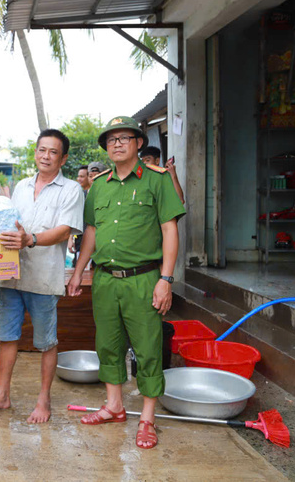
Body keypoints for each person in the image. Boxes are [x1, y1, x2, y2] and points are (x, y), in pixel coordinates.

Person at [68, 116, 185, 450]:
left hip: (143, 278)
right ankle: (114, 405)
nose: (117, 143)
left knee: (148, 347)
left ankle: (147, 419)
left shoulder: (157, 180)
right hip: (105, 279)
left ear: (138, 143)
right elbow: (91, 232)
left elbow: (169, 230)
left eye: (124, 138)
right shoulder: (98, 185)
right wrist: (79, 271)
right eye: (111, 139)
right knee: (108, 342)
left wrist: (165, 278)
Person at [0, 129, 84, 423]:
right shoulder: (21, 186)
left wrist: (30, 239)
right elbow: (8, 224)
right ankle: (2, 396)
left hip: (44, 278)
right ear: (35, 153)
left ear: (63, 158)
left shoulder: (71, 190)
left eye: (53, 152)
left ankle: (44, 400)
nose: (46, 156)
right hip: (11, 276)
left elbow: (64, 230)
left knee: (46, 341)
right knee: (6, 337)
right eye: (41, 150)